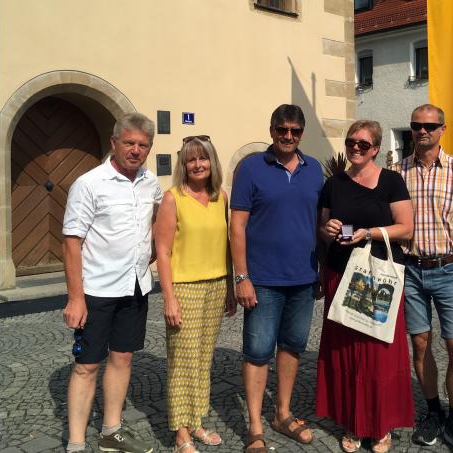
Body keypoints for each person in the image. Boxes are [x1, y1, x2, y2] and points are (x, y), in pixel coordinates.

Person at [61, 113, 162, 453]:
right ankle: (76, 443)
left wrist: (147, 256)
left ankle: (110, 433)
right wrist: (76, 298)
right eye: (130, 143)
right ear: (114, 143)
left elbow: (159, 227)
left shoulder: (151, 183)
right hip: (97, 290)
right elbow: (71, 241)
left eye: (143, 145)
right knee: (87, 366)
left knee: (123, 359)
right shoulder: (89, 184)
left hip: (135, 287)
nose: (136, 150)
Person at [229, 104, 324, 453]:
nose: (288, 136)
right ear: (272, 130)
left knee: (292, 346)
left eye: (295, 131)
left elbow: (319, 223)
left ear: (301, 133)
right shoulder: (252, 168)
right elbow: (236, 225)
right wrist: (242, 276)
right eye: (282, 130)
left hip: (302, 278)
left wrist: (322, 270)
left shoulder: (314, 170)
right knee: (257, 351)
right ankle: (255, 426)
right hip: (263, 280)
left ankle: (282, 413)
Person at [316, 120, 415, 453]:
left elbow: (406, 228)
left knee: (378, 354)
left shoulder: (391, 181)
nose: (355, 148)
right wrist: (327, 229)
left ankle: (380, 424)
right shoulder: (334, 184)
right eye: (351, 142)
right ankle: (353, 424)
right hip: (340, 274)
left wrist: (370, 233)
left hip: (378, 275)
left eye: (363, 143)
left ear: (375, 148)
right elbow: (322, 227)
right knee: (345, 354)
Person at [391, 104, 453, 452]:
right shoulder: (395, 171)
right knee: (420, 344)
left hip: (448, 269)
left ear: (443, 128)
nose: (422, 130)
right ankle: (432, 411)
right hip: (410, 269)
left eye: (429, 125)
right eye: (416, 125)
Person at [154, 135, 236, 453]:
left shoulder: (221, 197)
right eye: (191, 159)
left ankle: (197, 419)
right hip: (184, 288)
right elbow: (162, 251)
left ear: (212, 162)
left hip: (216, 285)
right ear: (184, 165)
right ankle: (181, 434)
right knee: (182, 361)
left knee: (203, 360)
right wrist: (169, 296)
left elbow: (226, 245)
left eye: (203, 158)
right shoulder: (173, 197)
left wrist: (230, 285)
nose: (198, 164)